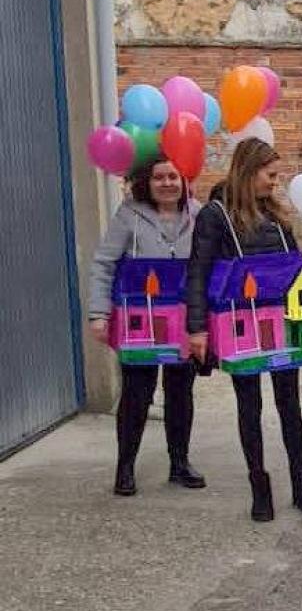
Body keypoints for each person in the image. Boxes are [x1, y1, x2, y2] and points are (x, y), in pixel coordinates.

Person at [185, 138, 302, 522]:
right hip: (241, 326)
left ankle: (301, 485)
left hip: (282, 323)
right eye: (271, 175)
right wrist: (196, 328)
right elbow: (197, 271)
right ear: (248, 171)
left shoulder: (277, 217)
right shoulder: (215, 215)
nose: (275, 183)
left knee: (289, 406)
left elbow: (298, 266)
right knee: (250, 406)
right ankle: (259, 487)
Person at [88, 156, 204, 496]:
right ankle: (125, 467)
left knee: (181, 392)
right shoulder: (128, 215)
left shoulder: (198, 215)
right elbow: (104, 264)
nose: (167, 183)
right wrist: (99, 313)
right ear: (146, 182)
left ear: (183, 181)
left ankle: (179, 463)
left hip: (183, 321)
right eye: (159, 178)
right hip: (140, 321)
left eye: (173, 176)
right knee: (137, 393)